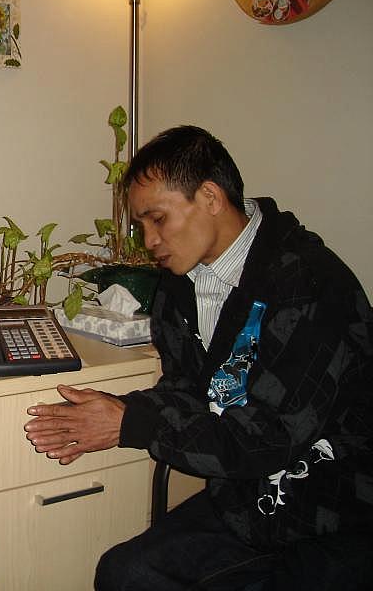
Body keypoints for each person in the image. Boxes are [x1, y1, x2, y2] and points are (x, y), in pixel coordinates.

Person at [24, 125, 373, 590]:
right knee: (124, 573)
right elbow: (186, 388)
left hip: (339, 507)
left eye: (157, 220)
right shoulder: (179, 285)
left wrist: (131, 425)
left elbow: (271, 436)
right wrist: (125, 410)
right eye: (140, 226)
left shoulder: (308, 284)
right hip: (246, 501)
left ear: (209, 197)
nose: (148, 241)